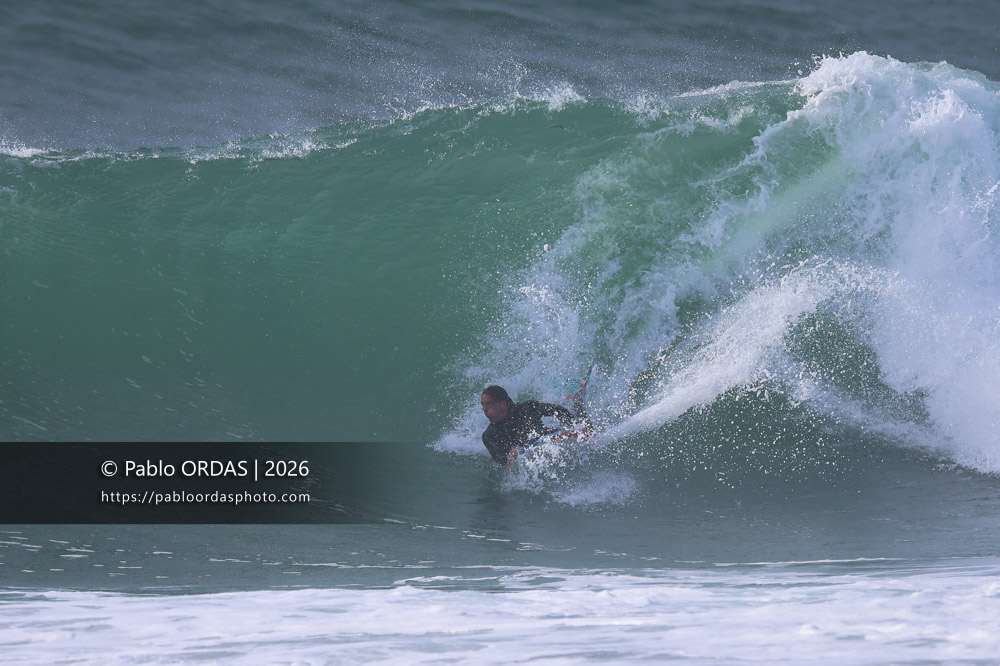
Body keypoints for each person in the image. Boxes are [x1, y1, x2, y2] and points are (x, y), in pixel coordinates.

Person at [480, 385, 590, 466]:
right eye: (483, 405)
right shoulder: (489, 436)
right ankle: (570, 399)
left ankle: (575, 402)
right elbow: (501, 460)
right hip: (531, 451)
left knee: (562, 408)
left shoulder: (527, 408)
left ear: (503, 403)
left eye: (489, 403)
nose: (484, 409)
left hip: (551, 436)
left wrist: (575, 426)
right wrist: (510, 456)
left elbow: (557, 410)